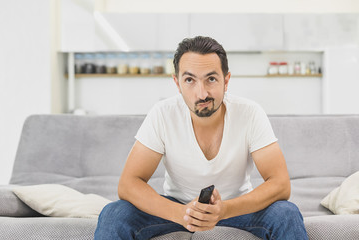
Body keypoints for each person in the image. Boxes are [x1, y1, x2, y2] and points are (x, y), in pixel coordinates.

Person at [94, 36, 308, 240]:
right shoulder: (162, 114)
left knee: (286, 213)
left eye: (211, 79)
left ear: (226, 80)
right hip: (177, 207)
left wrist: (224, 210)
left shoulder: (250, 113)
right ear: (177, 83)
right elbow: (129, 184)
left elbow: (280, 184)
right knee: (114, 214)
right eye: (190, 80)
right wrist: (182, 213)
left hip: (235, 208)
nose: (202, 93)